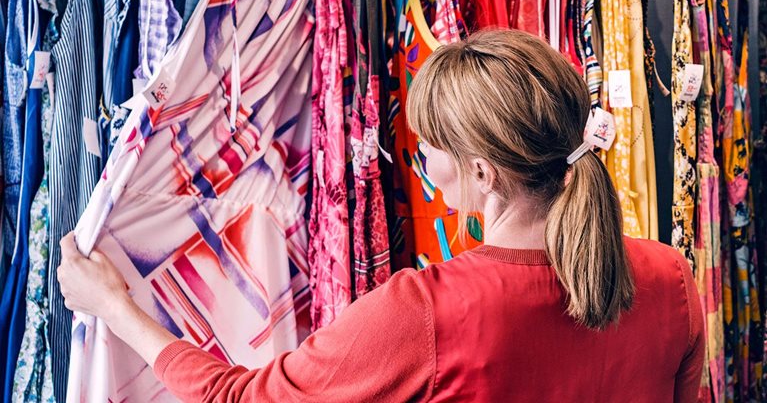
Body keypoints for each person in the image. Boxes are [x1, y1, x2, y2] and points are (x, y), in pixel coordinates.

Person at [57, 29, 704, 402]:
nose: (421, 161)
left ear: (482, 171)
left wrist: (117, 310)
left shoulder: (428, 312)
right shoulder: (668, 279)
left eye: (428, 148)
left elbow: (241, 400)